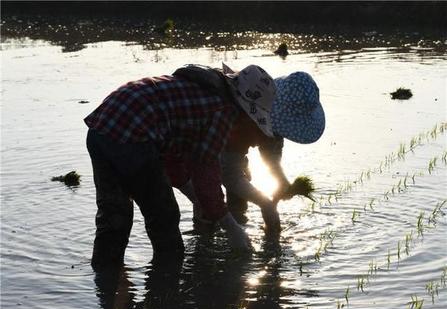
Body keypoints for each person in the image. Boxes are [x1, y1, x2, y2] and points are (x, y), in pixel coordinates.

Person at [84, 64, 278, 268]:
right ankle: (168, 277)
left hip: (103, 126)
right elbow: (205, 172)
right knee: (164, 217)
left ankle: (105, 276)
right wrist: (232, 229)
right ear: (246, 110)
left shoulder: (201, 94)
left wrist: (196, 198)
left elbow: (172, 159)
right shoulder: (223, 109)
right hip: (134, 134)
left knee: (114, 215)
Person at [168, 68, 325, 233]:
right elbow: (228, 173)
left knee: (236, 197)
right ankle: (206, 233)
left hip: (225, 152)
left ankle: (233, 221)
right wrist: (264, 203)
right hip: (199, 148)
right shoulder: (241, 114)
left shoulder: (273, 123)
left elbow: (271, 160)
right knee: (207, 199)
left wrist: (282, 183)